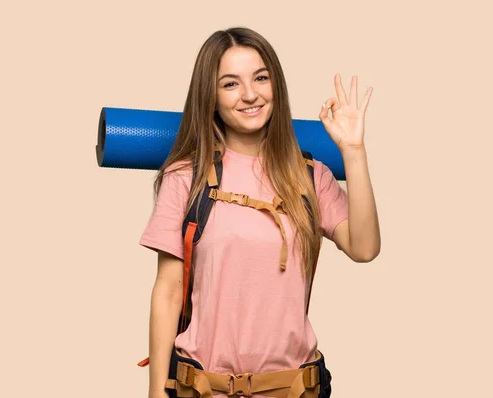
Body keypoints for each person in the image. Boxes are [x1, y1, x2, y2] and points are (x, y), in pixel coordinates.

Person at [139, 26, 380, 398]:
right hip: (203, 388)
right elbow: (168, 291)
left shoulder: (310, 177)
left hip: (293, 389)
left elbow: (364, 248)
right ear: (211, 96)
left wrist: (353, 151)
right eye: (230, 84)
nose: (250, 95)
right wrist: (157, 393)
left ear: (275, 85)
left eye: (261, 78)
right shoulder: (185, 176)